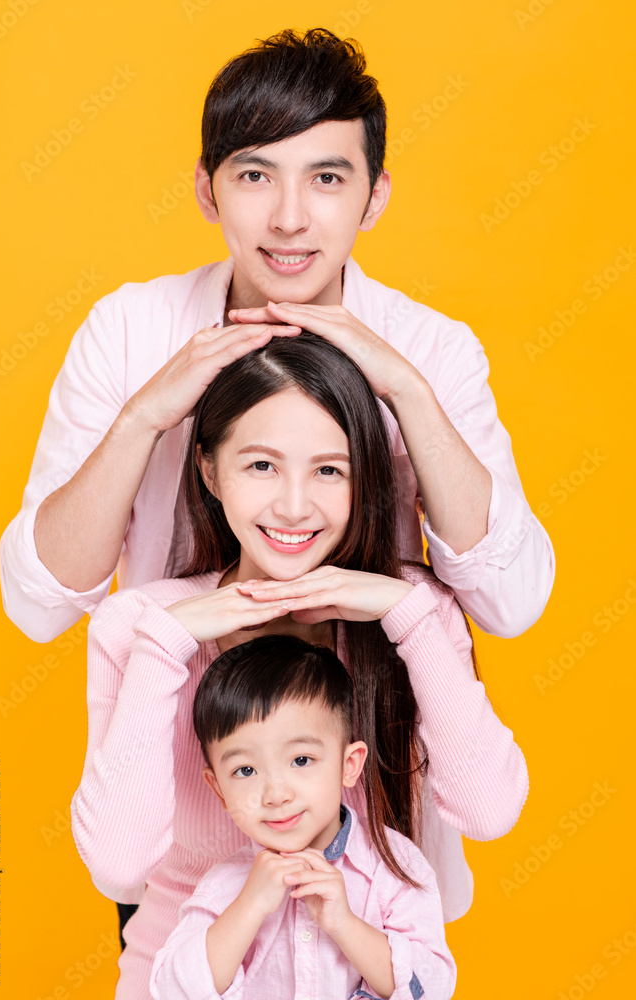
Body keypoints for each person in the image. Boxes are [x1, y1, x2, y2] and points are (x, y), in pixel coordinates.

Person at [0, 28, 554, 646]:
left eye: (327, 179)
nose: (289, 219)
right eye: (256, 176)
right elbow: (36, 607)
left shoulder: (433, 348)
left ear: (374, 198)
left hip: (365, 726)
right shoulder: (128, 328)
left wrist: (408, 395)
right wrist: (143, 420)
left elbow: (513, 604)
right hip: (168, 718)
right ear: (209, 191)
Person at [71, 333, 528, 998]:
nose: (292, 506)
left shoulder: (409, 612)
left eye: (328, 470)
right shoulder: (140, 624)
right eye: (260, 466)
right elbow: (118, 867)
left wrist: (407, 614)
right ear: (208, 470)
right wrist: (166, 643)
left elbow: (488, 812)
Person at [149, 634, 456, 1000]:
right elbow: (171, 991)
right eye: (245, 770)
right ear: (218, 790)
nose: (277, 795)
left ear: (349, 764)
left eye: (301, 760)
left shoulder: (394, 866)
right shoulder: (226, 886)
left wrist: (344, 924)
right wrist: (248, 908)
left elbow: (433, 988)